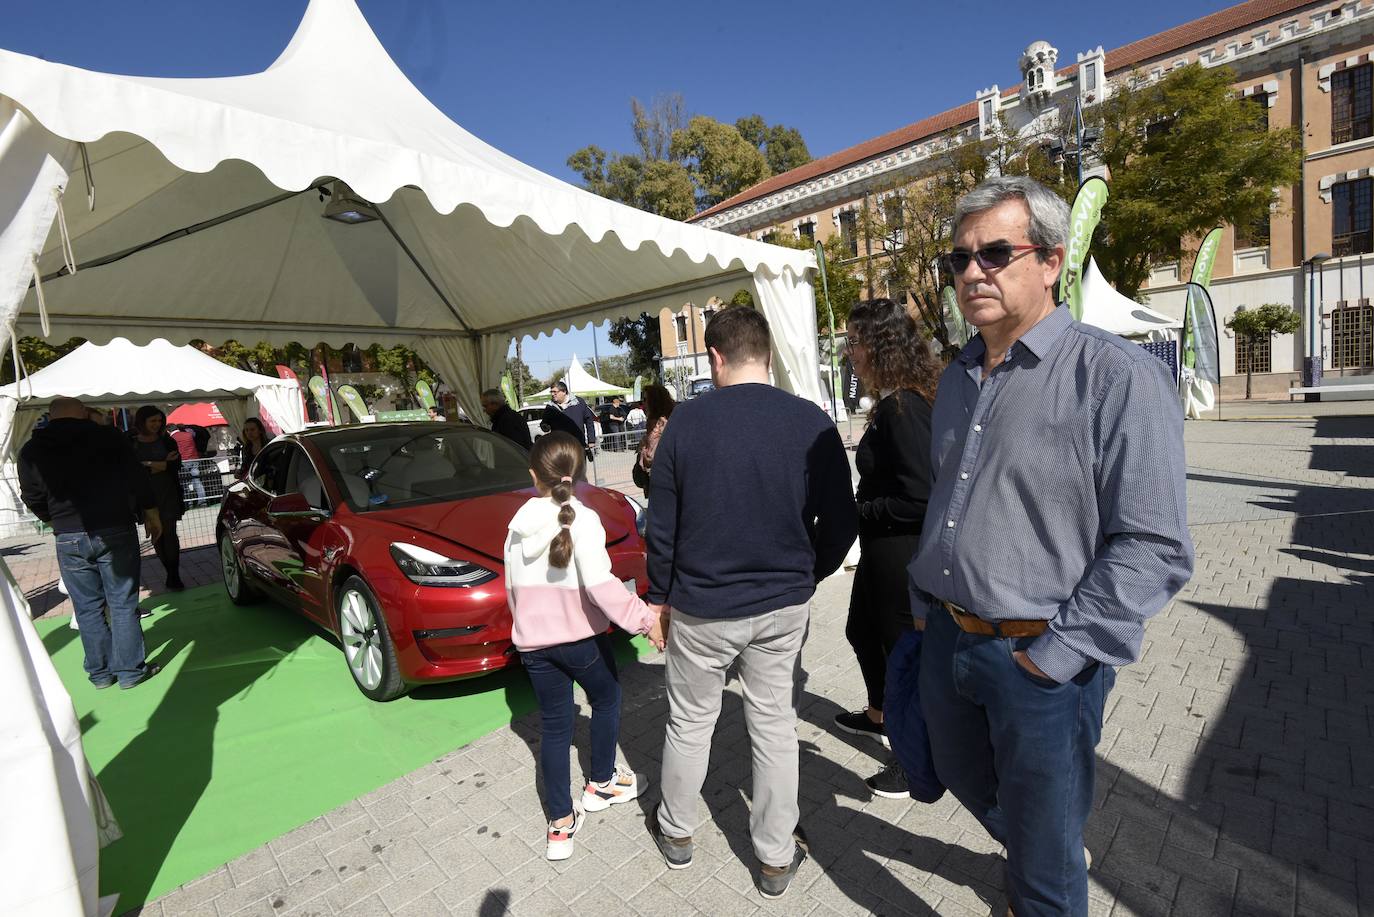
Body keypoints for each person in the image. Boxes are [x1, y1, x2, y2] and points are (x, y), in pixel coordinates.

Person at [909, 176, 1193, 916]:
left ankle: (1046, 863)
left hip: (1041, 660)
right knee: (962, 777)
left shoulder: (1115, 376)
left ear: (1051, 261)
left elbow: (1154, 543)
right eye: (959, 260)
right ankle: (1050, 841)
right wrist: (921, 605)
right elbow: (948, 499)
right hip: (947, 637)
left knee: (1042, 878)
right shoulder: (957, 377)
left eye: (995, 253)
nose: (973, 273)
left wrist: (1053, 658)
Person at [645, 306, 858, 899]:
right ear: (765, 354)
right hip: (781, 604)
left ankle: (678, 833)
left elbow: (661, 527)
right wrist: (804, 575)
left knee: (690, 722)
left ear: (716, 357)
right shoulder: (809, 421)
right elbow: (842, 522)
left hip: (701, 605)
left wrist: (658, 599)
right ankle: (773, 857)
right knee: (773, 727)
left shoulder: (686, 423)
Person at [504, 432, 666, 861]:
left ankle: (560, 825)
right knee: (607, 696)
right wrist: (646, 620)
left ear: (533, 474)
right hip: (580, 639)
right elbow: (601, 587)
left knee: (555, 727)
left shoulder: (517, 524)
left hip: (534, 645)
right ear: (580, 472)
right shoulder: (584, 518)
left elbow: (511, 588)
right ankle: (602, 782)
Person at [830, 298, 941, 801]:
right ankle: (878, 715)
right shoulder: (894, 401)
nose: (849, 352)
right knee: (859, 631)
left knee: (902, 656)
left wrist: (861, 511)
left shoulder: (905, 408)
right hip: (881, 551)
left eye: (853, 342)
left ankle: (911, 756)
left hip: (901, 554)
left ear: (879, 345)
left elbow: (920, 498)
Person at [19, 397, 163, 689]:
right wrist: (151, 511)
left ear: (50, 416)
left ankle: (100, 674)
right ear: (84, 413)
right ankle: (130, 672)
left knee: (87, 608)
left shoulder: (32, 449)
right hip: (114, 526)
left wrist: (54, 519)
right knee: (122, 603)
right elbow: (136, 476)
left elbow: (31, 496)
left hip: (67, 534)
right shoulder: (108, 436)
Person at [131, 405, 185, 591]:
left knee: (169, 533)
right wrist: (160, 464)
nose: (157, 424)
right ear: (142, 421)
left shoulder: (167, 441)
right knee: (157, 533)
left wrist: (146, 465)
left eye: (159, 420)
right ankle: (170, 572)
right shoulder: (131, 442)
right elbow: (133, 470)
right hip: (145, 496)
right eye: (152, 420)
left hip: (168, 492)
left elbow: (175, 465)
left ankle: (173, 575)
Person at [633, 384, 675, 495]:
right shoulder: (671, 417)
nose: (643, 403)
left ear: (655, 401)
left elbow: (651, 456)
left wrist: (642, 447)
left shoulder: (658, 422)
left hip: (659, 478)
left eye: (646, 399)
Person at [541, 381, 598, 452]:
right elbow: (544, 423)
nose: (552, 394)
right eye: (551, 392)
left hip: (578, 445)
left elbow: (589, 421)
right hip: (559, 448)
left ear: (564, 392)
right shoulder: (550, 407)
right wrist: (544, 426)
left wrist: (591, 440)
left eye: (555, 392)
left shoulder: (579, 403)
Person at [169, 423, 206, 507]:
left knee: (184, 482)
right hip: (194, 459)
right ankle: (202, 501)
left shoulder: (171, 438)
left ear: (169, 431)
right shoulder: (188, 434)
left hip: (182, 462)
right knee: (197, 481)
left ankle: (188, 503)